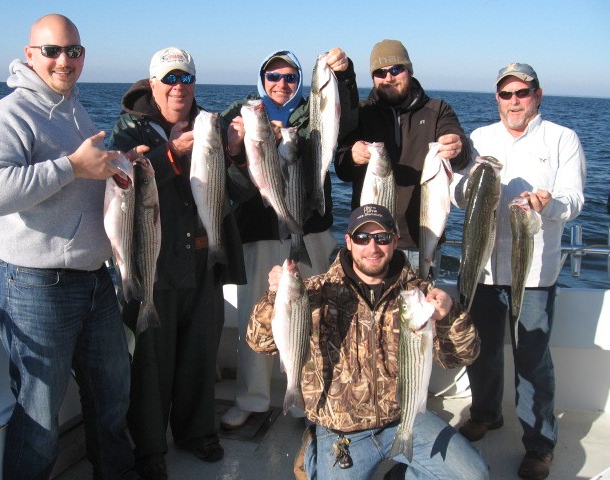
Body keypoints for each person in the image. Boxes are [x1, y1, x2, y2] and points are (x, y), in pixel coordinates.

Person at [0, 14, 139, 479]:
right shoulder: (6, 115)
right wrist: (73, 167)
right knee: (39, 416)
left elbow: (85, 178)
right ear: (30, 55)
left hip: (94, 281)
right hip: (35, 285)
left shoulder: (76, 110)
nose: (64, 60)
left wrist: (117, 166)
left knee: (111, 398)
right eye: (52, 51)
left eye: (74, 51)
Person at [246, 204, 489, 479]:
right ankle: (315, 448)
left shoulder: (418, 296)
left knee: (473, 475)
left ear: (395, 241)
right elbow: (259, 342)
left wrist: (449, 315)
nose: (372, 247)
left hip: (405, 418)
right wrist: (274, 296)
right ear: (348, 241)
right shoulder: (315, 291)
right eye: (362, 238)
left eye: (382, 238)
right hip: (341, 428)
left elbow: (461, 356)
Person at [108, 47, 248, 478]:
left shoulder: (213, 126)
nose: (178, 88)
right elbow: (122, 181)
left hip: (204, 259)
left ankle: (198, 433)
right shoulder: (129, 131)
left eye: (185, 79)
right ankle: (150, 450)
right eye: (168, 79)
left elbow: (240, 192)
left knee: (199, 353)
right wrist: (170, 157)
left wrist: (238, 153)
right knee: (150, 362)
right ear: (152, 85)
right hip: (153, 260)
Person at [453, 63, 586, 480]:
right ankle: (486, 414)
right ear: (497, 98)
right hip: (484, 269)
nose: (514, 101)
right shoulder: (479, 139)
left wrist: (549, 202)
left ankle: (540, 444)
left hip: (535, 273)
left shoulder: (563, 138)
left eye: (522, 93)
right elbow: (457, 196)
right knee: (482, 351)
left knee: (532, 360)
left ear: (537, 95)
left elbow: (575, 198)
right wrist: (471, 184)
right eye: (506, 94)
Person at [218, 48, 359, 430]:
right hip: (259, 230)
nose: (282, 84)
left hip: (310, 229)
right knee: (257, 314)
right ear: (261, 80)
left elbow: (346, 124)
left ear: (301, 82)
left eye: (291, 77)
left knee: (315, 314)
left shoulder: (315, 111)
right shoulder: (240, 113)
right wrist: (232, 145)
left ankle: (305, 399)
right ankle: (253, 398)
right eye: (273, 77)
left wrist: (344, 78)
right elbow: (224, 172)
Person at [335, 39, 470, 273]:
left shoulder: (438, 110)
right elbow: (342, 168)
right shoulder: (363, 113)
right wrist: (352, 158)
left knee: (417, 308)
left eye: (396, 69)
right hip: (370, 243)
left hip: (421, 241)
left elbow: (462, 154)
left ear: (410, 70)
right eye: (380, 72)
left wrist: (457, 147)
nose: (388, 77)